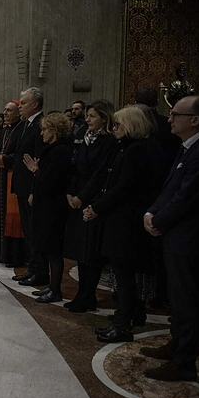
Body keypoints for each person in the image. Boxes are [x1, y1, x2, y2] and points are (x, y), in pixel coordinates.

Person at [142, 96, 199, 382]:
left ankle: (184, 363)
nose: (170, 119)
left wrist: (159, 221)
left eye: (176, 114)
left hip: (190, 239)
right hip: (175, 234)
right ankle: (176, 345)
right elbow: (171, 186)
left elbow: (188, 197)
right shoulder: (189, 147)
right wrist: (152, 212)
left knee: (187, 301)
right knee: (177, 297)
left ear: (195, 120)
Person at [86, 106, 165, 343]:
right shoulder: (143, 148)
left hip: (125, 221)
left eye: (118, 125)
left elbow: (123, 188)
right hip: (131, 219)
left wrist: (96, 207)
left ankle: (122, 324)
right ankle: (134, 313)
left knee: (124, 274)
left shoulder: (135, 151)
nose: (114, 128)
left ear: (131, 125)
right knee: (128, 271)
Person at [63, 100, 119, 313]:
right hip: (78, 198)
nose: (87, 119)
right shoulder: (84, 139)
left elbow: (101, 174)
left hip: (93, 202)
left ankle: (88, 294)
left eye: (92, 116)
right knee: (81, 251)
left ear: (105, 118)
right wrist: (70, 192)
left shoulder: (109, 142)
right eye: (87, 115)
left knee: (91, 253)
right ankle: (82, 293)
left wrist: (83, 198)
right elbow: (76, 168)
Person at [22, 112, 74, 303]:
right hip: (45, 204)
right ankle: (51, 286)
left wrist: (35, 170)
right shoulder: (50, 149)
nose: (42, 133)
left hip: (54, 206)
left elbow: (52, 180)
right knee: (46, 245)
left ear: (54, 130)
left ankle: (56, 289)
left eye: (44, 129)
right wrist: (33, 192)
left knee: (54, 249)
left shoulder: (60, 151)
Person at [12, 87, 48, 288]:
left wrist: (34, 189)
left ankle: (40, 271)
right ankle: (33, 268)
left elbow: (38, 159)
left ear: (35, 104)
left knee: (35, 231)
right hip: (23, 186)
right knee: (28, 229)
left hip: (32, 187)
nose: (20, 107)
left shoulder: (40, 126)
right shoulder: (26, 125)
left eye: (23, 103)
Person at [0, 100, 26, 267]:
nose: (5, 113)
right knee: (1, 215)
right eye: (5, 110)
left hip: (13, 176)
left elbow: (21, 155)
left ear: (18, 112)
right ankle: (0, 253)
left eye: (9, 110)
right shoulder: (5, 130)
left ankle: (14, 256)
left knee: (13, 217)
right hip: (3, 176)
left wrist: (2, 159)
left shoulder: (22, 129)